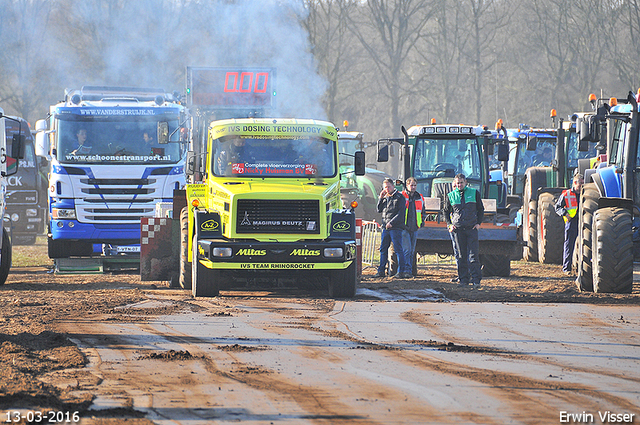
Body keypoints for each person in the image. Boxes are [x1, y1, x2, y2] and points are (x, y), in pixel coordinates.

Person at [443, 173, 484, 286]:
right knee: (461, 255)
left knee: (473, 255)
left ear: (465, 182)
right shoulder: (450, 195)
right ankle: (463, 279)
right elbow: (446, 211)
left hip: (471, 228)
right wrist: (449, 224)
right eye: (458, 183)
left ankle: (476, 279)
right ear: (455, 184)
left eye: (461, 182)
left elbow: (481, 209)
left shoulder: (474, 193)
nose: (460, 185)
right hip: (458, 229)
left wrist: (478, 223)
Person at [372, 178, 408, 278]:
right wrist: (380, 198)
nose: (387, 189)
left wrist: (392, 222)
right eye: (385, 187)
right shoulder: (386, 197)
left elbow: (401, 213)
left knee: (398, 249)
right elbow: (379, 210)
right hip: (385, 227)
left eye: (388, 187)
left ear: (393, 186)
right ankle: (381, 271)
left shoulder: (400, 197)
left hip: (395, 227)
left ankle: (401, 271)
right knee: (383, 249)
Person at [554, 173, 584, 276]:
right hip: (572, 222)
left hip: (583, 222)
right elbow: (557, 207)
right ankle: (567, 268)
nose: (581, 186)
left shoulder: (585, 194)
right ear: (575, 183)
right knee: (569, 245)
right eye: (580, 184)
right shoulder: (566, 194)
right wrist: (565, 213)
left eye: (583, 184)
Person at [402, 177, 426, 277]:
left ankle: (409, 271)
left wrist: (422, 220)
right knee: (406, 250)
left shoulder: (419, 197)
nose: (413, 187)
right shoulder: (402, 196)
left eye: (415, 185)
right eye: (411, 185)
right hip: (404, 227)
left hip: (415, 227)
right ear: (407, 185)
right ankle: (405, 271)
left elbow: (423, 211)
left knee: (411, 251)